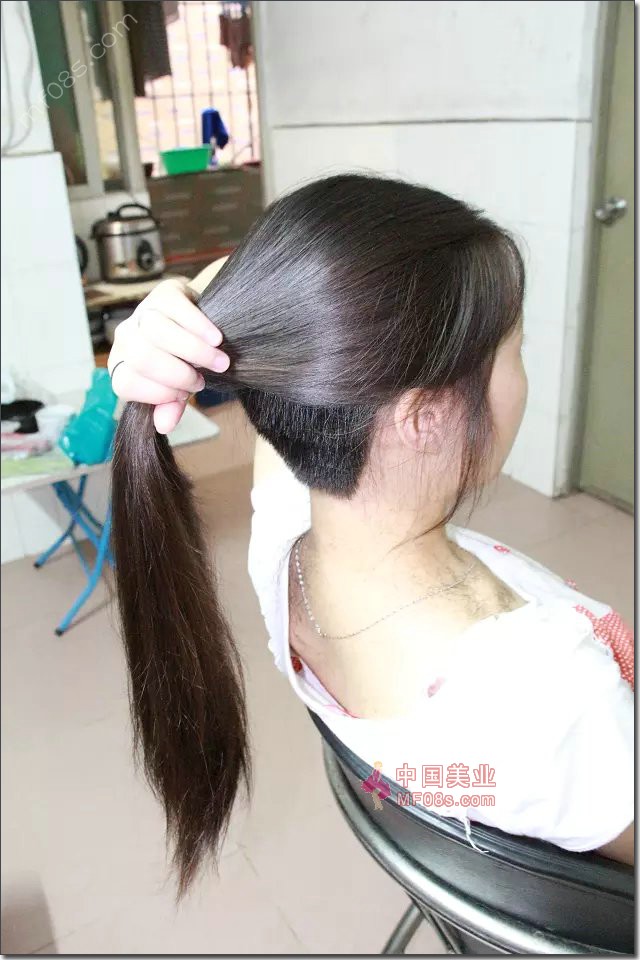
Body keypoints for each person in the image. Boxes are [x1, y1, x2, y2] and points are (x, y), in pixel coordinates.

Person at [107, 175, 633, 895]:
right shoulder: (553, 699)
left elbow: (250, 297)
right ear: (424, 416)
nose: (523, 374)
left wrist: (168, 308)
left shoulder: (288, 534)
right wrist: (179, 311)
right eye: (515, 348)